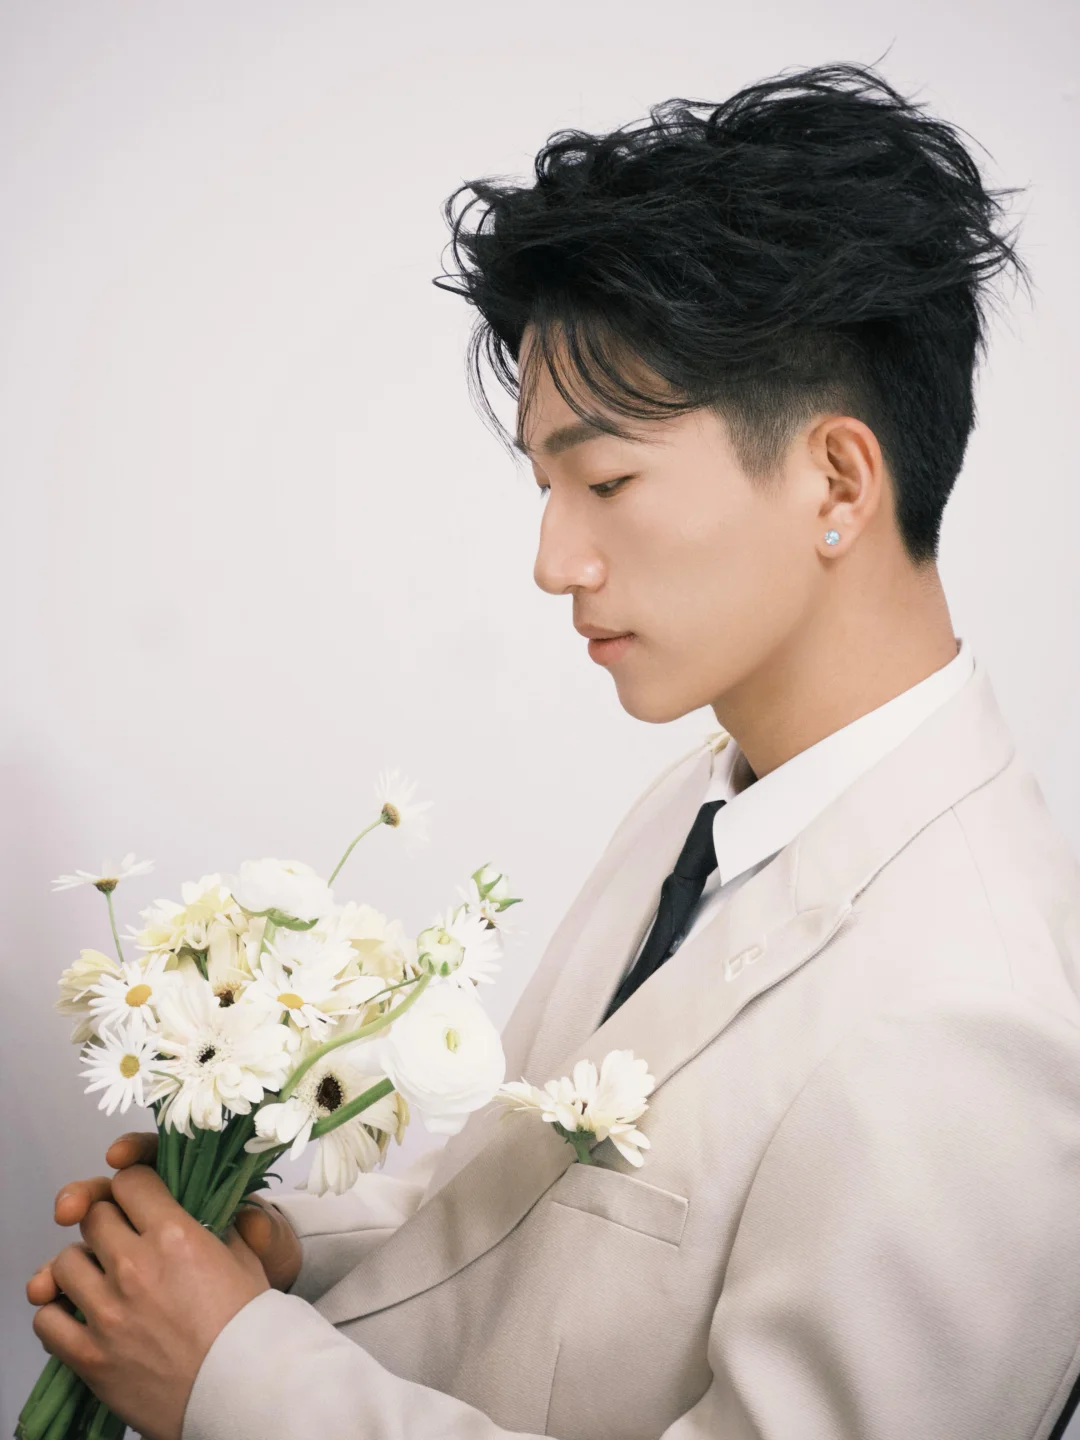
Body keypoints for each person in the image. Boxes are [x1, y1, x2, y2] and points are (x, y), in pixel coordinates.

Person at [26, 62, 1080, 1440]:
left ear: (836, 480)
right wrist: (281, 1255)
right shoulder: (711, 797)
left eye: (607, 480)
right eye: (545, 486)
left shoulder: (970, 1016)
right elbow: (521, 1202)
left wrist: (236, 1375)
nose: (552, 560)